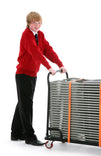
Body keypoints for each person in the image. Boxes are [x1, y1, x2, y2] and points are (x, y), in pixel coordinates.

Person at [11, 11, 67, 146]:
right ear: (29, 23)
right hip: (23, 74)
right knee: (27, 104)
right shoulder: (26, 35)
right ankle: (29, 136)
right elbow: (35, 52)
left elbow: (48, 50)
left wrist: (60, 64)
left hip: (32, 74)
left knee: (23, 102)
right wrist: (48, 67)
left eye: (39, 23)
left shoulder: (40, 35)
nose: (37, 25)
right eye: (34, 23)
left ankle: (15, 133)